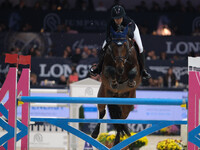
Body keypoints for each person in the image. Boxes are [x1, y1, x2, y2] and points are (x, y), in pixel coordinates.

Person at [89, 5, 151, 80]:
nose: (118, 20)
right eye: (116, 19)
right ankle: (98, 68)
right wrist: (110, 40)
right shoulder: (110, 23)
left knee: (140, 48)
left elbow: (131, 34)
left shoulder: (128, 22)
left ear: (123, 16)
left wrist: (124, 29)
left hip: (132, 32)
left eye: (119, 18)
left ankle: (143, 70)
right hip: (116, 37)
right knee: (103, 47)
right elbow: (108, 37)